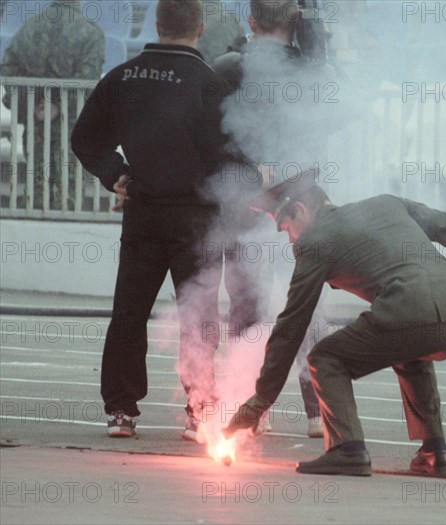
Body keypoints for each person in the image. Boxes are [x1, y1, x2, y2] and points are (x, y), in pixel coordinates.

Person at [222, 172, 446, 476]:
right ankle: (434, 452)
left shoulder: (314, 241)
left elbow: (292, 324)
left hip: (412, 311)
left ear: (299, 209)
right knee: (409, 349)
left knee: (325, 358)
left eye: (285, 228)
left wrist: (261, 400)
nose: (289, 239)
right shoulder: (388, 204)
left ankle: (347, 449)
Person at [71, 0, 233, 439]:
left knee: (129, 310)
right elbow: (228, 158)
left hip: (142, 209)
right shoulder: (209, 83)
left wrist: (116, 175)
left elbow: (83, 138)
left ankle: (121, 411)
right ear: (200, 28)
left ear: (157, 24)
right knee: (198, 313)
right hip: (196, 218)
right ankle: (199, 409)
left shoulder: (122, 77)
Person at [212, 0, 332, 438]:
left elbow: (212, 126)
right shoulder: (309, 68)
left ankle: (249, 408)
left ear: (251, 19)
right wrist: (313, 32)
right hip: (301, 199)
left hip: (245, 199)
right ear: (294, 21)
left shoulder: (231, 65)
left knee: (246, 303)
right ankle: (318, 411)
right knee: (306, 305)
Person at [0, 0, 104, 210]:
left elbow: (8, 72)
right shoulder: (90, 32)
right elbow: (88, 82)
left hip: (36, 123)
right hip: (73, 128)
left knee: (36, 191)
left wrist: (32, 106)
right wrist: (58, 105)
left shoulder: (30, 26)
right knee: (69, 194)